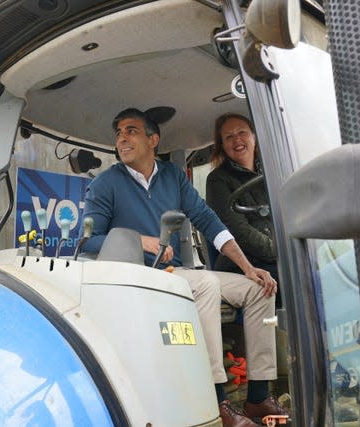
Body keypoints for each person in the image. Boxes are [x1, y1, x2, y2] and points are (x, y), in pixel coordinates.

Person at [81, 108, 289, 426]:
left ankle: (258, 398)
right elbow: (86, 241)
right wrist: (141, 241)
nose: (122, 137)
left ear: (153, 139)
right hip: (137, 277)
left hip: (175, 273)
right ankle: (218, 401)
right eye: (118, 132)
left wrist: (248, 267)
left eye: (131, 130)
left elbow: (208, 220)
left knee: (259, 287)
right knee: (205, 283)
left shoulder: (173, 176)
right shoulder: (106, 184)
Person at [206, 113, 281, 308]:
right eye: (229, 137)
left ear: (254, 137)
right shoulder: (218, 181)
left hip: (278, 255)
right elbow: (238, 231)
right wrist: (280, 251)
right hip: (244, 263)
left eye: (242, 132)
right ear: (222, 145)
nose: (237, 140)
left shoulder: (272, 172)